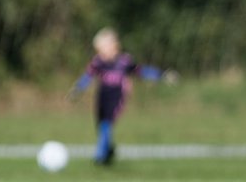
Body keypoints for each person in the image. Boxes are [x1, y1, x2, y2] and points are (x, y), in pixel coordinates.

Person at [67, 28, 175, 165]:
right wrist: (77, 89)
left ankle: (100, 156)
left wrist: (162, 75)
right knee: (101, 125)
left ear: (113, 46)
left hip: (117, 96)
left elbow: (141, 71)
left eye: (102, 48)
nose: (100, 52)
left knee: (106, 124)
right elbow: (87, 76)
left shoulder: (124, 61)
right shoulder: (97, 62)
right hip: (103, 96)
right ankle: (109, 150)